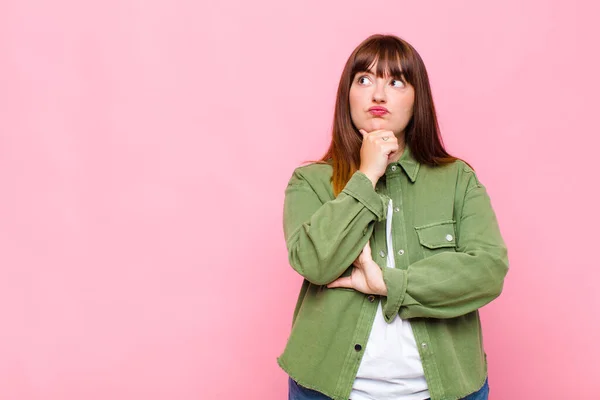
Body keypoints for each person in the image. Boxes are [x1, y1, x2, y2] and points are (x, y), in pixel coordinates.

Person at [278, 34, 508, 400]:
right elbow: (313, 262)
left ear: (418, 100)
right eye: (364, 79)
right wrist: (366, 176)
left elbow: (488, 271)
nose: (378, 95)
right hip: (325, 390)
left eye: (396, 81)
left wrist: (389, 283)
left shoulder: (457, 179)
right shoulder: (310, 181)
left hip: (446, 390)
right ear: (347, 95)